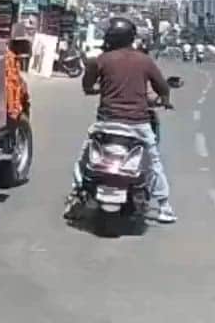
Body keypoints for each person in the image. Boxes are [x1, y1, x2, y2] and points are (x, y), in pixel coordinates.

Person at [67, 16, 176, 223]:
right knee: (154, 162)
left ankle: (75, 196)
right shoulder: (144, 60)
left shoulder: (100, 60)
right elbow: (163, 87)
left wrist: (96, 89)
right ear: (131, 38)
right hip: (138, 125)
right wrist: (165, 100)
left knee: (84, 158)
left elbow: (87, 87)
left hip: (106, 123)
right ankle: (164, 206)